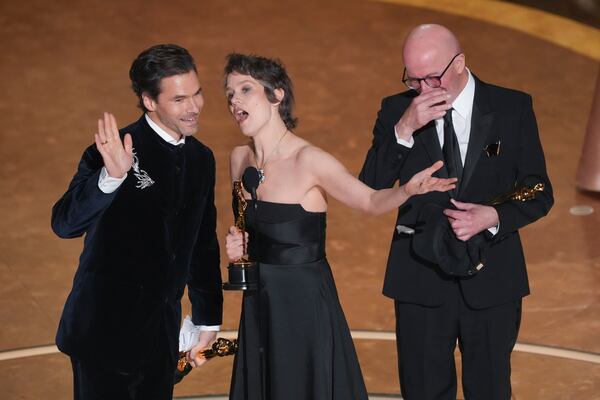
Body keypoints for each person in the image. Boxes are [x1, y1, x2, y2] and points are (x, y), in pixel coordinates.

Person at [223, 53, 457, 400]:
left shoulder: (311, 161)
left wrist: (406, 190)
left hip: (304, 307)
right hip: (260, 303)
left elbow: (369, 202)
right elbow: (248, 226)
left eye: (245, 89)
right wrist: (240, 244)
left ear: (276, 96)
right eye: (229, 94)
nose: (234, 101)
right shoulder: (239, 159)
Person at [359, 24, 554, 399]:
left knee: (491, 390)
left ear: (460, 63)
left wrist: (493, 216)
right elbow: (369, 187)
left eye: (433, 77)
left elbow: (539, 189)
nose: (423, 89)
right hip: (419, 277)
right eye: (413, 79)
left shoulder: (511, 108)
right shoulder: (396, 111)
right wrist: (404, 129)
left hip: (492, 280)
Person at [51, 44, 223, 400]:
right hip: (102, 335)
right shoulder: (111, 150)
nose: (193, 107)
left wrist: (207, 318)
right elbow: (65, 223)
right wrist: (110, 178)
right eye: (179, 99)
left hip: (160, 340)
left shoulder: (202, 159)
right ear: (149, 101)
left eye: (197, 93)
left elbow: (202, 243)